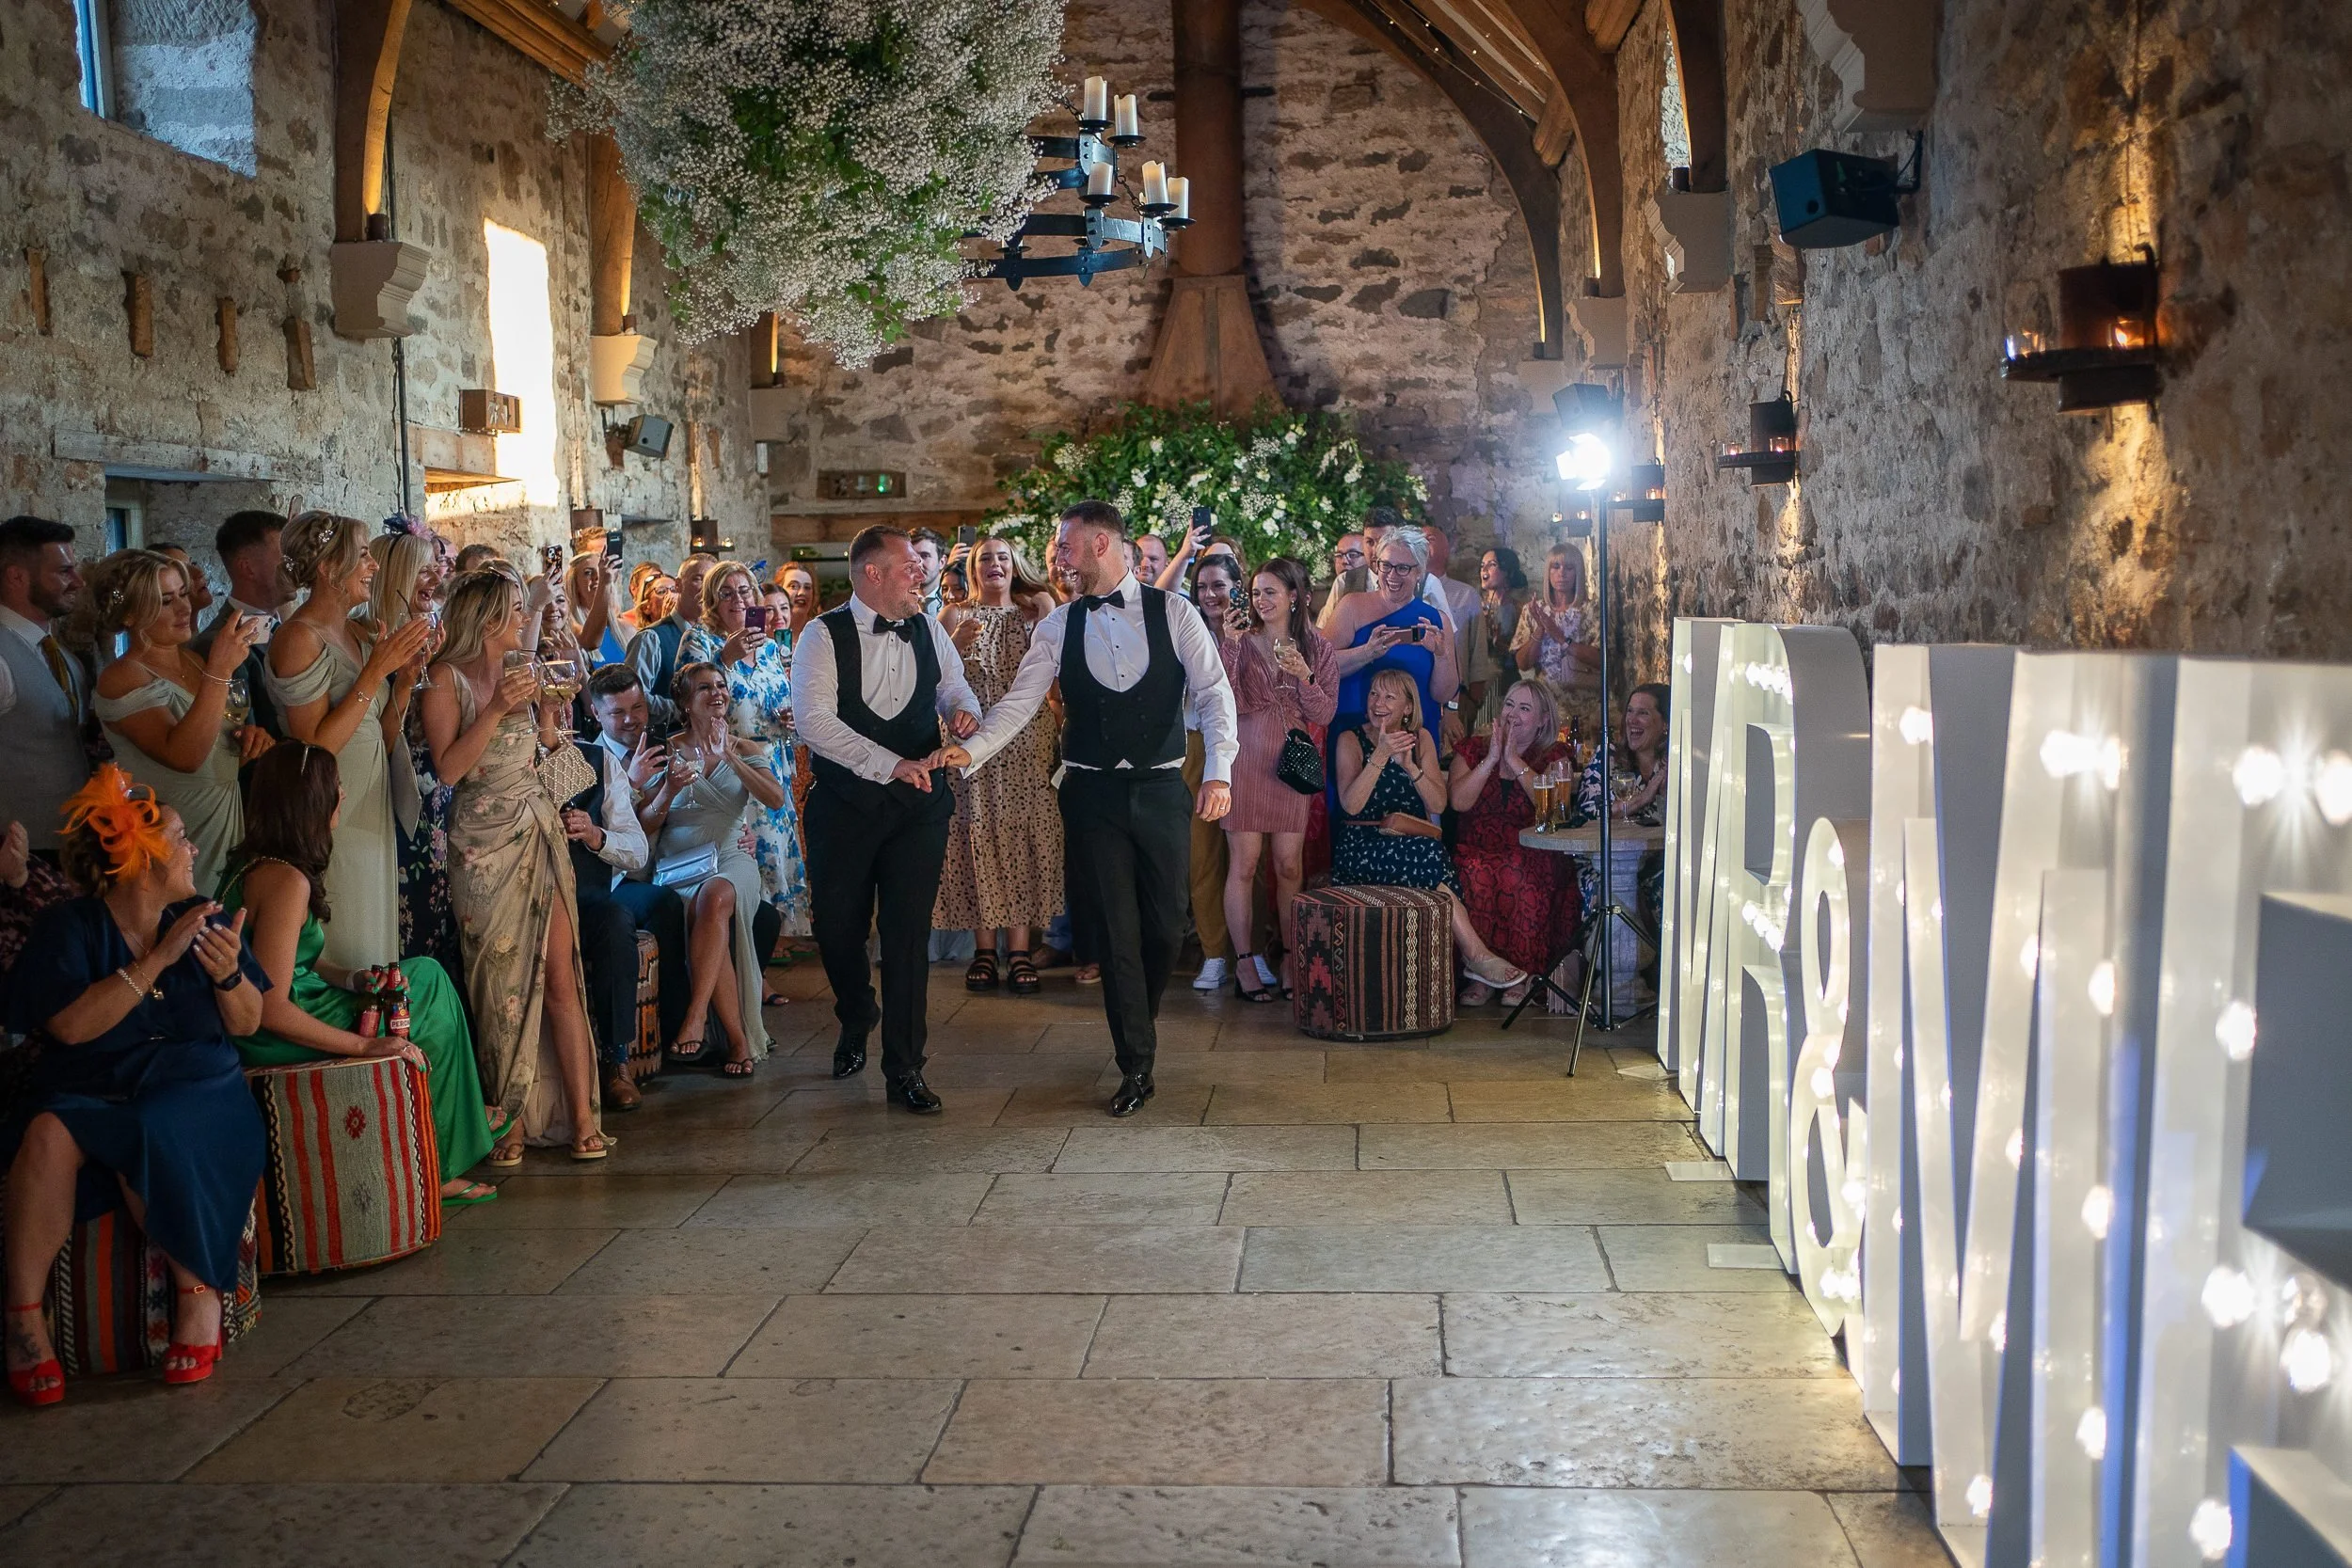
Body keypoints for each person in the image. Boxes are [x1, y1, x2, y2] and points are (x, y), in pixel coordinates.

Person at [946, 500, 1237, 1118]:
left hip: (1161, 792)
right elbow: (1020, 704)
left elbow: (1214, 695)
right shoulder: (1056, 627)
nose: (1055, 558)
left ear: (1100, 544)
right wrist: (966, 751)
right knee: (1118, 934)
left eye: (1063, 546)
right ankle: (1136, 1062)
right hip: (1091, 797)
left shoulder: (1175, 612)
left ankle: (1139, 1014)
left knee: (1165, 923)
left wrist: (1218, 773)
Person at [3, 768, 268, 1402]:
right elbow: (68, 1025)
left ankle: (197, 1295)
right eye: (180, 837)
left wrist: (230, 976)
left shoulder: (203, 921)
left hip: (198, 1089)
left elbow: (249, 1020)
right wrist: (156, 958)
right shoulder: (70, 927)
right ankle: (22, 1323)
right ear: (141, 855)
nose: (193, 847)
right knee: (44, 1134)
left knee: (155, 1123)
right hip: (93, 1086)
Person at [218, 742, 498, 1200]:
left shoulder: (254, 864)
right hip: (273, 1031)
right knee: (427, 988)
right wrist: (366, 1044)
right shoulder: (284, 880)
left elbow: (293, 962)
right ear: (309, 801)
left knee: (416, 975)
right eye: (335, 786)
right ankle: (444, 1160)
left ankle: (457, 1119)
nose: (343, 794)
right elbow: (269, 1006)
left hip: (292, 1005)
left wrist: (351, 979)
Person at [789, 527, 981, 1114]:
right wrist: (887, 763)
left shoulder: (928, 627)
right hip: (844, 808)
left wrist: (965, 713)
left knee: (906, 937)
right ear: (873, 573)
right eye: (909, 567)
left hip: (918, 808)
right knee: (838, 928)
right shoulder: (822, 636)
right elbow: (812, 721)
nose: (921, 573)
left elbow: (953, 687)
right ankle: (855, 1011)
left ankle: (905, 1068)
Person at [421, 569, 611, 1162]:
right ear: (484, 622)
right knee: (498, 984)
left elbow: (541, 756)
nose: (525, 622)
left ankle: (581, 1118)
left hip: (538, 830)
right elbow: (449, 771)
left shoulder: (520, 674)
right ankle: (510, 1120)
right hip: (480, 846)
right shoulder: (443, 680)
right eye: (513, 612)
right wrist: (496, 709)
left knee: (560, 979)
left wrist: (550, 722)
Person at [266, 513, 432, 973]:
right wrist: (377, 671)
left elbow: (377, 734)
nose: (374, 566)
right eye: (363, 555)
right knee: (349, 948)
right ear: (327, 568)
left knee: (377, 949)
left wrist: (402, 683)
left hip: (370, 805)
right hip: (331, 814)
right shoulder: (298, 638)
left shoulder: (359, 633)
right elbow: (313, 747)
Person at [1332, 669, 1529, 991]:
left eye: (1389, 697)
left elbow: (1438, 804)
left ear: (1408, 708)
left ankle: (1469, 964)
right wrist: (1380, 756)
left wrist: (1410, 766)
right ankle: (1476, 954)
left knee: (1432, 854)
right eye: (1373, 694)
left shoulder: (1421, 738)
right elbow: (1350, 806)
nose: (1378, 703)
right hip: (1362, 844)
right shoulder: (1350, 740)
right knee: (1429, 856)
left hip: (1411, 843)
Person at [88, 550, 272, 894]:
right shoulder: (123, 676)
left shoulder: (192, 659)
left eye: (183, 594)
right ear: (130, 614)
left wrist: (247, 742)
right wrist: (220, 669)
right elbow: (185, 756)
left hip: (226, 814)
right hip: (179, 828)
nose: (184, 608)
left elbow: (212, 742)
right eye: (166, 601)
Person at [637, 662, 783, 1077]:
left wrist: (728, 760)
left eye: (721, 685)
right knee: (708, 906)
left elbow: (774, 800)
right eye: (704, 688)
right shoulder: (664, 751)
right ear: (684, 701)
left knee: (716, 895)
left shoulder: (748, 749)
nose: (717, 693)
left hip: (730, 858)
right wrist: (669, 788)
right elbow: (646, 823)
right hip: (678, 865)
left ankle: (696, 1016)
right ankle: (738, 1042)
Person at [935, 537, 1060, 994]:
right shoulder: (952, 615)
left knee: (1020, 835)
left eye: (1002, 557)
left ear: (1015, 565)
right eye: (984, 558)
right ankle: (985, 951)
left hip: (1025, 739)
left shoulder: (1037, 607)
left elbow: (1055, 663)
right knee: (976, 835)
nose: (994, 564)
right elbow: (930, 679)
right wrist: (952, 642)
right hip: (969, 739)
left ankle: (1021, 950)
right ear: (972, 569)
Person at [1216, 557, 1337, 1002]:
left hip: (1291, 764)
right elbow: (1221, 700)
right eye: (1255, 593)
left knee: (1289, 867)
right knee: (1243, 866)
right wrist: (1229, 644)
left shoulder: (1318, 648)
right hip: (1245, 760)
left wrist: (1303, 674)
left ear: (1294, 596)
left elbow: (1324, 713)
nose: (1260, 600)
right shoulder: (1240, 641)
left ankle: (1290, 955)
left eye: (1269, 592)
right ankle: (1245, 963)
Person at [682, 562, 810, 948]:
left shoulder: (770, 647)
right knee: (746, 858)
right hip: (729, 760)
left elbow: (783, 694)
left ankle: (767, 952)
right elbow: (689, 695)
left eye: (744, 591)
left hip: (775, 761)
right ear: (711, 601)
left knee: (774, 856)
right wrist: (726, 658)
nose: (737, 599)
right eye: (726, 593)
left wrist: (793, 717)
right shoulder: (699, 640)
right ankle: (749, 962)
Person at [582, 666, 691, 1064]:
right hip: (612, 879)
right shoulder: (588, 761)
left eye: (638, 707)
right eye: (618, 713)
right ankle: (652, 1041)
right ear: (596, 714)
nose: (631, 720)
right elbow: (621, 834)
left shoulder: (662, 747)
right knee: (658, 906)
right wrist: (630, 783)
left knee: (758, 917)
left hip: (665, 864)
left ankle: (688, 1028)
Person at [1449, 677, 1581, 1006]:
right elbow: (1459, 802)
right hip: (1477, 845)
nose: (1513, 714)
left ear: (1543, 720)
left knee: (1518, 871)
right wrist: (1493, 758)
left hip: (1532, 848)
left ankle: (1520, 975)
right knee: (1475, 872)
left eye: (1525, 708)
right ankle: (1481, 976)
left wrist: (1515, 762)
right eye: (1509, 704)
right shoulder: (1472, 749)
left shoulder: (1556, 755)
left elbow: (1555, 811)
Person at [1326, 526, 1459, 808]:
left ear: (1419, 572)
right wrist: (1365, 653)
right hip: (1354, 733)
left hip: (1413, 735)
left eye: (1403, 568)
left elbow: (1443, 693)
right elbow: (1319, 666)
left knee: (1415, 815)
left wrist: (1443, 654)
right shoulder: (1351, 606)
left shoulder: (1436, 619)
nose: (1392, 576)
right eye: (1385, 566)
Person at [0, 516, 94, 856]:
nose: (79, 582)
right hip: (22, 856)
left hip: (74, 847)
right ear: (17, 577)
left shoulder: (65, 657)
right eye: (64, 572)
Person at [1182, 554, 1244, 995]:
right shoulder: (1186, 629)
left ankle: (1252, 952)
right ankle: (1214, 953)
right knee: (1201, 856)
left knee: (1248, 859)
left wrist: (1237, 643)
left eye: (1219, 586)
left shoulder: (1257, 631)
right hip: (1195, 745)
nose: (1210, 596)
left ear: (1238, 587)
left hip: (1253, 749)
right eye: (1202, 587)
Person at [1570, 681, 1671, 939]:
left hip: (1657, 862)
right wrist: (1642, 798)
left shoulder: (1677, 762)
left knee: (1674, 885)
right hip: (1605, 862)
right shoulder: (1609, 756)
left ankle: (1665, 968)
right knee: (1618, 888)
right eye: (1630, 711)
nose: (1632, 720)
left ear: (1665, 725)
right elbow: (1589, 814)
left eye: (1643, 713)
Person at [191, 510, 291, 742]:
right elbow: (243, 739)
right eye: (285, 558)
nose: (295, 566)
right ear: (248, 568)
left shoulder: (284, 625)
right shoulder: (218, 642)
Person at [1514, 542, 1601, 725]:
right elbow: (1523, 663)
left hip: (1585, 705)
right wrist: (1540, 628)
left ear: (1578, 572)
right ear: (1548, 572)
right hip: (1546, 704)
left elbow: (1601, 659)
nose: (1562, 573)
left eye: (1569, 568)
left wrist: (1561, 638)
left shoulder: (1591, 610)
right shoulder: (1533, 610)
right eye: (1556, 567)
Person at [626, 553, 713, 730]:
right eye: (698, 579)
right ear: (679, 585)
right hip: (669, 743)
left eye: (711, 582)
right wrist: (684, 710)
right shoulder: (651, 638)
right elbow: (634, 697)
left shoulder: (716, 637)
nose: (705, 588)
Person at [1470, 547, 1530, 734]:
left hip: (1503, 678)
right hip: (1476, 678)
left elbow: (1516, 649)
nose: (1484, 570)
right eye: (1482, 565)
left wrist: (1498, 640)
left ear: (1507, 572)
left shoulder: (1517, 608)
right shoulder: (1474, 604)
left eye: (1492, 564)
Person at [565, 552, 625, 667]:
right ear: (575, 584)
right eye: (588, 573)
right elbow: (589, 641)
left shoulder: (625, 628)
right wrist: (604, 584)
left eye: (601, 571)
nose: (598, 576)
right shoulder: (571, 630)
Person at [910, 528, 947, 616]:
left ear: (942, 562)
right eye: (912, 557)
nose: (918, 564)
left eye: (925, 556)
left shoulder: (953, 599)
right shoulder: (896, 602)